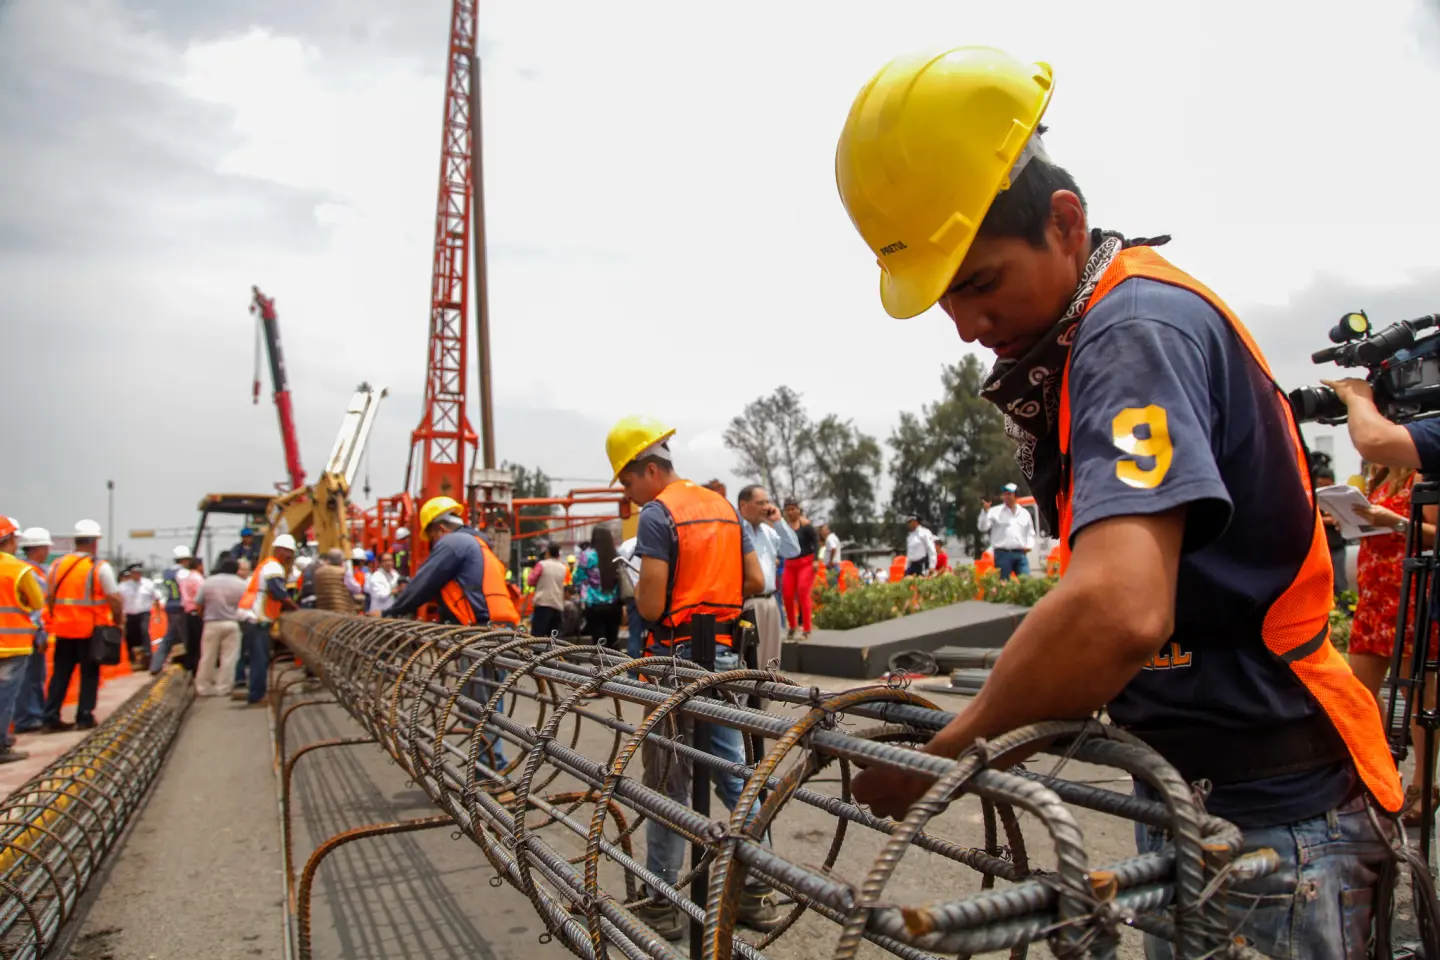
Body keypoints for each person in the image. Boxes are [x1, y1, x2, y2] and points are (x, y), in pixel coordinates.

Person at [835, 46, 1400, 956]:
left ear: (1065, 223)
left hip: (1271, 822)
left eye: (979, 282)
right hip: (1202, 801)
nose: (967, 325)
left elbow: (1118, 608)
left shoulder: (1131, 327)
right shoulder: (1100, 331)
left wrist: (944, 759)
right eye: (944, 298)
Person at [604, 415, 779, 940]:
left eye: (628, 481)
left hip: (675, 660)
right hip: (722, 654)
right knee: (731, 774)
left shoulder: (659, 516)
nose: (629, 494)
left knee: (668, 782)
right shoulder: (724, 507)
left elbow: (653, 602)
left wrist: (648, 588)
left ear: (650, 469)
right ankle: (758, 889)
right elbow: (754, 579)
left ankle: (661, 901)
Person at [384, 497, 509, 767]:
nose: (432, 543)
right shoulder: (478, 543)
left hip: (481, 633)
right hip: (499, 629)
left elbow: (423, 583)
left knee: (478, 708)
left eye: (431, 536)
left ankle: (490, 772)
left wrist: (391, 612)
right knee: (487, 705)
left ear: (439, 529)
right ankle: (489, 767)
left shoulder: (452, 543)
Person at [43, 519, 122, 732]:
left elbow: (49, 597)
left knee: (60, 674)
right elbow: (114, 598)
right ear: (95, 542)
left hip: (63, 629)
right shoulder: (99, 567)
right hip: (90, 630)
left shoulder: (56, 566)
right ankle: (84, 716)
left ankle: (50, 717)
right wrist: (118, 621)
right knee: (89, 674)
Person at [737, 485, 800, 668]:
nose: (766, 507)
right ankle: (750, 697)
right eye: (760, 503)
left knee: (771, 659)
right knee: (750, 659)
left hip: (770, 600)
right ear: (743, 505)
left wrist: (779, 522)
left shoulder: (769, 532)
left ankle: (768, 696)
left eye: (767, 502)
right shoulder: (737, 530)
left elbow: (793, 550)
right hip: (748, 602)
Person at [235, 533, 297, 705]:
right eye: (287, 552)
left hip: (252, 617)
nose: (289, 556)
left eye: (291, 553)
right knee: (260, 658)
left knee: (256, 657)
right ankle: (257, 695)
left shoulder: (267, 565)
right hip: (257, 617)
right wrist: (295, 609)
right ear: (278, 550)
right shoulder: (273, 567)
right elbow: (279, 593)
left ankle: (255, 691)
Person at [0, 517, 42, 761]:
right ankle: (1, 745)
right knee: (5, 698)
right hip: (12, 646)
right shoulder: (19, 569)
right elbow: (36, 601)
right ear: (10, 540)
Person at [13, 528, 53, 735]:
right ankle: (28, 717)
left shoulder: (29, 569)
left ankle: (33, 713)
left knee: (32, 677)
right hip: (28, 632)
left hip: (22, 632)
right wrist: (39, 632)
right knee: (31, 677)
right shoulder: (30, 573)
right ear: (38, 549)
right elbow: (35, 607)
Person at [193, 557, 247, 696]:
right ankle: (223, 688)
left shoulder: (208, 582)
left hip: (212, 623)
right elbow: (246, 605)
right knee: (229, 658)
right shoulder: (242, 584)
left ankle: (203, 687)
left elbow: (198, 603)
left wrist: (202, 616)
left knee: (207, 656)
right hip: (232, 623)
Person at [576, 525, 622, 647]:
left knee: (599, 641)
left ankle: (602, 665)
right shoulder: (616, 554)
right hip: (614, 604)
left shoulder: (587, 555)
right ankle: (616, 665)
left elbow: (579, 578)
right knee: (613, 640)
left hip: (594, 605)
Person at [978, 483, 1036, 579]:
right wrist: (985, 511)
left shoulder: (1024, 513)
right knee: (1003, 584)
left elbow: (1030, 532)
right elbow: (983, 527)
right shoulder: (995, 511)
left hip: (1020, 554)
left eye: (1009, 494)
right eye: (1005, 494)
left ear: (1016, 495)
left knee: (1026, 581)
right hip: (1002, 554)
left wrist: (1029, 545)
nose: (1006, 496)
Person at [780, 500, 818, 640]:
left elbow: (815, 541)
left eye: (793, 509)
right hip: (790, 564)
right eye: (788, 509)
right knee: (788, 595)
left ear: (798, 510)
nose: (791, 512)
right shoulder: (784, 527)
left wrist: (816, 560)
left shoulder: (806, 525)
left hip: (806, 563)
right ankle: (792, 626)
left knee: (803, 592)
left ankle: (807, 628)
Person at [151, 545, 193, 673]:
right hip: (181, 607)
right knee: (186, 638)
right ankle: (191, 665)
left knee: (169, 637)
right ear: (185, 559)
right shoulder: (185, 573)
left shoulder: (166, 572)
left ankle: (156, 665)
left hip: (170, 606)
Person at [1313, 466, 1352, 597]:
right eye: (1320, 484)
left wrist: (1320, 519)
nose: (1323, 487)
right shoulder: (1313, 498)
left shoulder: (1339, 498)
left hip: (1336, 547)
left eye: (1327, 485)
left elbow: (1341, 518)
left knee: (1340, 582)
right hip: (1318, 549)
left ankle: (1345, 610)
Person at [118, 563, 157, 669]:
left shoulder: (148, 584)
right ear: (131, 574)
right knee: (131, 636)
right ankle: (133, 659)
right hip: (130, 614)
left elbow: (156, 598)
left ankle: (148, 656)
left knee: (144, 632)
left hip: (144, 613)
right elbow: (119, 602)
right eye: (135, 573)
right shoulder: (123, 587)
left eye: (139, 572)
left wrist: (157, 614)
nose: (137, 575)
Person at [527, 543, 568, 636]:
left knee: (538, 636)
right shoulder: (563, 567)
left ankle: (537, 651)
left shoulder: (541, 565)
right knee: (553, 637)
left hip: (543, 603)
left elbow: (530, 581)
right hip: (557, 604)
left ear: (548, 553)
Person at [313, 548, 361, 613]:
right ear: (341, 560)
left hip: (323, 610)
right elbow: (356, 589)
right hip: (341, 611)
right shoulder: (343, 572)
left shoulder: (318, 572)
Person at [364, 552, 401, 617]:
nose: (388, 563)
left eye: (390, 560)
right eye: (385, 561)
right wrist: (392, 592)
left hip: (392, 613)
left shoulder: (395, 574)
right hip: (379, 614)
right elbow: (379, 596)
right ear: (380, 563)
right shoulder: (376, 576)